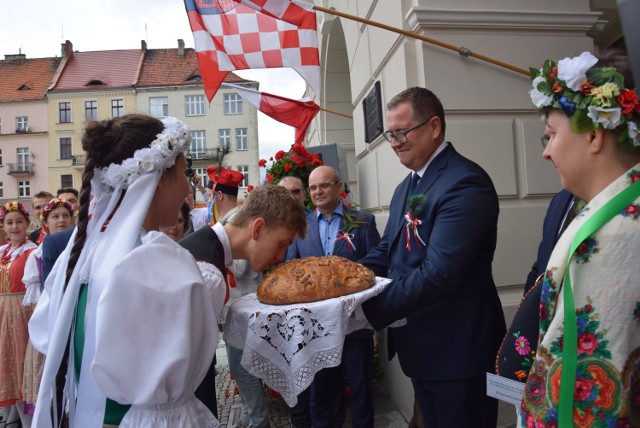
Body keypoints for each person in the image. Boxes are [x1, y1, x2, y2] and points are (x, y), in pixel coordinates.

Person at [29, 114, 222, 427]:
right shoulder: (157, 261)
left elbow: (47, 336)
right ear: (158, 178)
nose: (188, 186)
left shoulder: (81, 256)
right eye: (184, 172)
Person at [358, 87, 506, 428]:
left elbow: (440, 273)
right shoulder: (405, 188)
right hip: (421, 347)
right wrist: (339, 283)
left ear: (434, 126)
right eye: (389, 134)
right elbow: (388, 251)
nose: (394, 142)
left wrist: (364, 310)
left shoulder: (465, 182)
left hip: (458, 350)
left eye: (401, 132)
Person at [519, 50, 640, 426]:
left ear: (593, 135)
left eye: (552, 135)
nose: (545, 151)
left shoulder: (618, 232)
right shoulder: (610, 209)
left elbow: (595, 372)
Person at [179, 184, 307, 423]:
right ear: (258, 228)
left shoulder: (206, 248)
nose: (280, 256)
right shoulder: (209, 275)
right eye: (281, 243)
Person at [287, 165, 381, 428]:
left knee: (361, 392)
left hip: (355, 322)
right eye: (313, 187)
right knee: (320, 394)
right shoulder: (300, 227)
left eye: (324, 185)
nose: (318, 191)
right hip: (316, 328)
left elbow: (377, 268)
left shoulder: (363, 222)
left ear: (338, 187)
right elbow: (291, 270)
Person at [21, 198, 75, 416]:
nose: (61, 220)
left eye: (65, 216)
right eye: (55, 216)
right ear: (45, 223)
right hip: (53, 311)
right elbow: (46, 286)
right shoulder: (41, 250)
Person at [0, 201, 38, 427]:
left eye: (19, 222)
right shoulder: (2, 251)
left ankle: (28, 421)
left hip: (20, 311)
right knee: (6, 365)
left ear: (27, 224)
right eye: (9, 222)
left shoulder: (32, 252)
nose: (14, 227)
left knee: (20, 365)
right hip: (2, 311)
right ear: (3, 226)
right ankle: (12, 416)